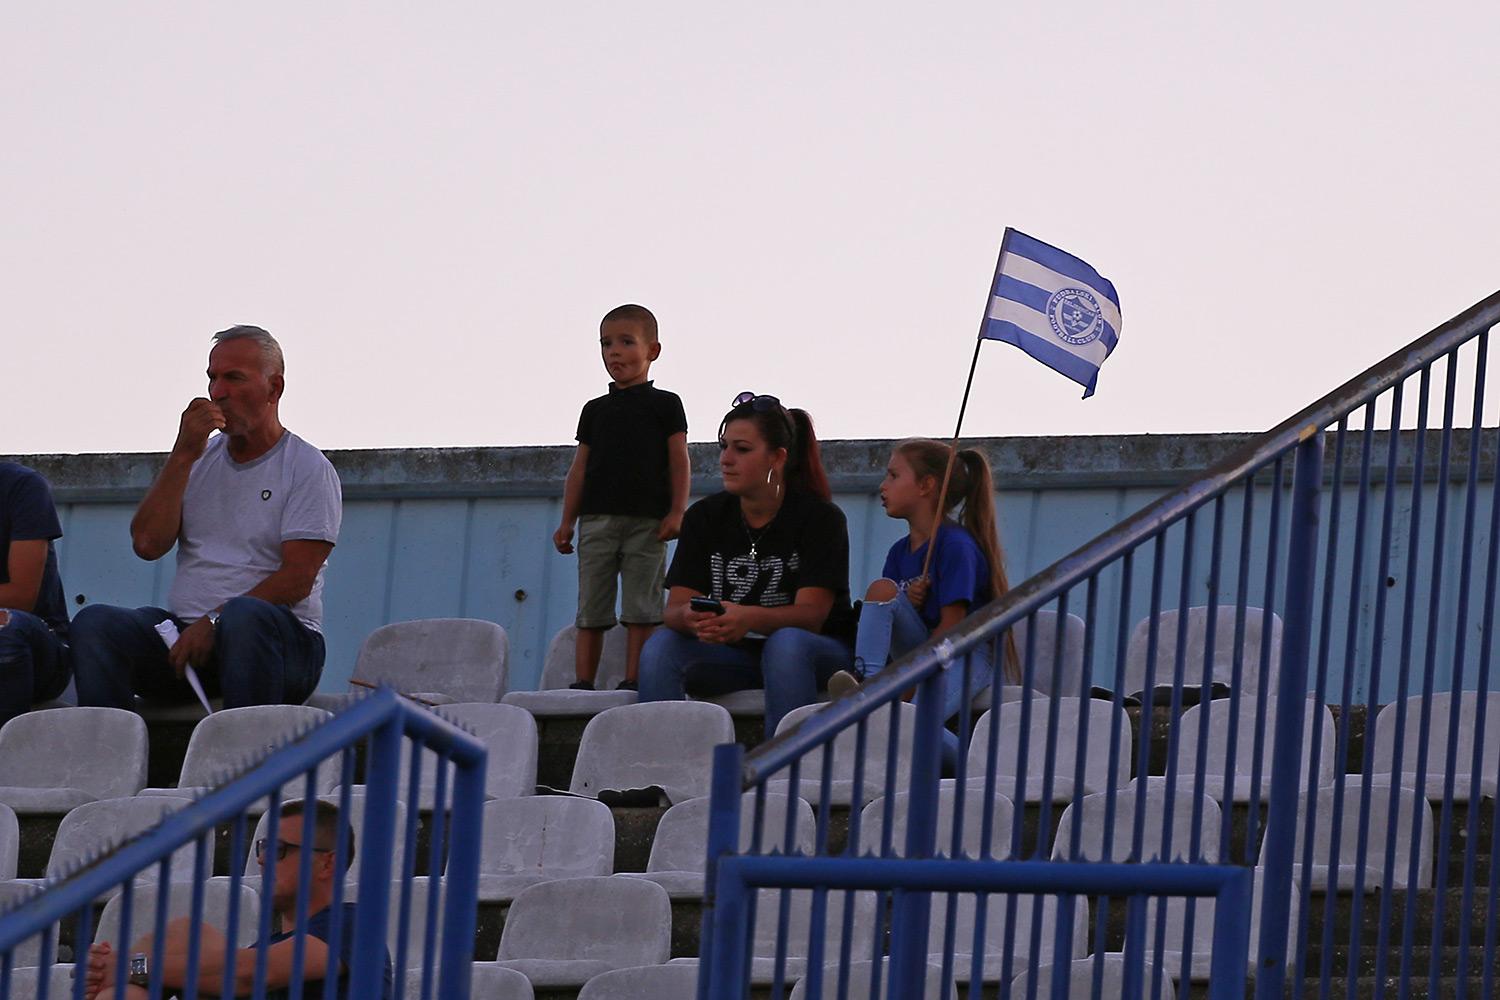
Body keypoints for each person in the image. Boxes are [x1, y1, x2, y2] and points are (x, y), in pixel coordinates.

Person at [71, 325, 342, 710]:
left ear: (274, 388)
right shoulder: (196, 460)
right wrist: (183, 453)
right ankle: (108, 757)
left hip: (279, 647)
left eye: (234, 378)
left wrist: (215, 620)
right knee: (96, 624)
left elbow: (298, 578)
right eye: (212, 378)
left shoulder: (307, 467)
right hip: (189, 640)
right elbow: (148, 544)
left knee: (245, 616)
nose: (218, 392)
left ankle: (245, 757)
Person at [637, 392, 854, 736]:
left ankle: (782, 775)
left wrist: (746, 617)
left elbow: (811, 617)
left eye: (742, 449)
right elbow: (673, 609)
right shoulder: (705, 517)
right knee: (662, 647)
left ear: (777, 458)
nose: (725, 459)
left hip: (813, 653)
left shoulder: (820, 518)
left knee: (786, 645)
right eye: (724, 447)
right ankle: (658, 770)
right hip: (735, 655)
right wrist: (692, 620)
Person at [827, 439, 1018, 766]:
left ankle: (976, 772)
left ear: (926, 486)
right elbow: (899, 621)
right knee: (882, 590)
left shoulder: (957, 545)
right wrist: (910, 605)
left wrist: (906, 681)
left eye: (893, 476)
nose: (882, 486)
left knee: (907, 723)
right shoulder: (898, 553)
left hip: (965, 653)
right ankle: (869, 681)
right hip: (927, 650)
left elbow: (953, 627)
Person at [84, 799, 393, 999]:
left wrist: (133, 967)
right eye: (263, 848)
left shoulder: (355, 925)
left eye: (279, 850)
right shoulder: (261, 949)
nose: (262, 860)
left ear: (328, 864)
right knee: (184, 935)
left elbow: (252, 974)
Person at [553, 304, 690, 692]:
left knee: (641, 607)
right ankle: (583, 681)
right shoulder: (594, 411)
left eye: (626, 342)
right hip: (596, 520)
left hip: (648, 521)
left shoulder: (667, 404)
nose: (614, 352)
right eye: (606, 344)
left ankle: (634, 678)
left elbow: (679, 461)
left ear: (653, 350)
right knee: (592, 605)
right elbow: (579, 469)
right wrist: (568, 521)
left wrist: (677, 510)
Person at [0, 461, 72, 724]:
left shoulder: (21, 485)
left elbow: (21, 596)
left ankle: (8, 757)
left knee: (4, 626)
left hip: (38, 647)